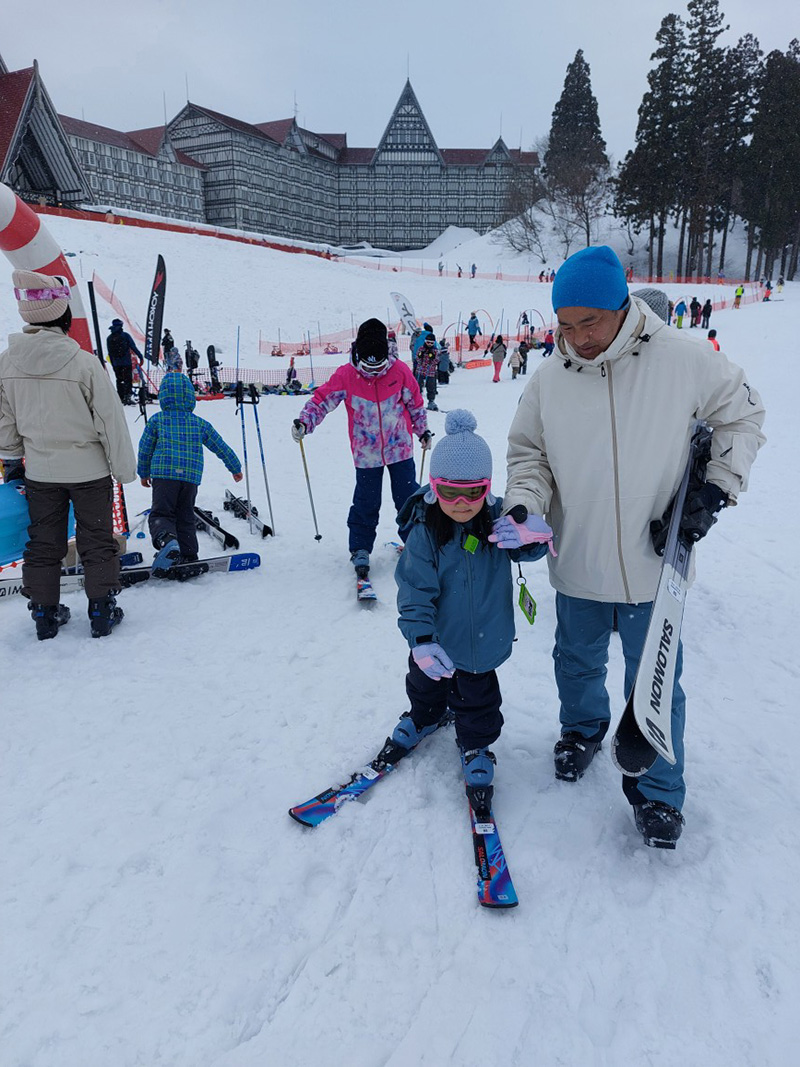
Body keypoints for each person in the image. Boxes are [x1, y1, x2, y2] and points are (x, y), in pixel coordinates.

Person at [501, 245, 765, 849]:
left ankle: (659, 793)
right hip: (580, 559)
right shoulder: (547, 380)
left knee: (656, 683)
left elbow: (744, 416)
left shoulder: (684, 359)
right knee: (576, 663)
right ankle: (583, 729)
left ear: (621, 305)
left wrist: (714, 489)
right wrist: (525, 505)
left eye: (588, 321)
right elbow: (528, 457)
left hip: (656, 569)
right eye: (565, 326)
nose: (577, 338)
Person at [388, 409, 552, 812]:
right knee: (425, 685)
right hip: (438, 637)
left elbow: (527, 549)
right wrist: (421, 640)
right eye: (449, 493)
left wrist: (533, 533)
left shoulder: (497, 522)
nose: (461, 504)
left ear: (488, 489)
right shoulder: (426, 530)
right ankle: (425, 715)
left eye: (473, 493)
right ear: (433, 488)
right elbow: (414, 589)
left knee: (478, 701)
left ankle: (477, 746)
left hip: (483, 641)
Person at [0, 270, 137, 639]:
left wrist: (12, 460)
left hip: (41, 473)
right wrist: (124, 469)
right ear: (62, 316)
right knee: (96, 540)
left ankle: (44, 614)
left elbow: (5, 421)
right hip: (89, 472)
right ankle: (102, 610)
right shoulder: (85, 364)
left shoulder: (5, 363)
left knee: (43, 543)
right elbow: (111, 422)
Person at [291, 318, 430, 582]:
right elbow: (321, 401)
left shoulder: (400, 371)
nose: (374, 371)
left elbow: (415, 403)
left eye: (379, 365)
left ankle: (417, 542)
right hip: (366, 454)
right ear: (358, 354)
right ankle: (361, 548)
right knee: (366, 501)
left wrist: (422, 430)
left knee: (408, 498)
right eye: (368, 365)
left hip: (400, 448)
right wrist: (305, 422)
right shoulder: (346, 375)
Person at [137, 372, 243, 573]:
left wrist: (143, 473)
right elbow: (219, 445)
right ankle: (188, 554)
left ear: (163, 396)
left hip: (164, 475)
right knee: (185, 514)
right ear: (190, 395)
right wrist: (234, 467)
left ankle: (167, 541)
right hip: (189, 477)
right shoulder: (199, 423)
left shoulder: (157, 420)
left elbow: (145, 449)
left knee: (162, 513)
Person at [107, 318, 143, 405]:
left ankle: (121, 397)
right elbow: (133, 347)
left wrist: (113, 364)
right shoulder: (125, 336)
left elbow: (110, 353)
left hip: (116, 363)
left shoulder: (109, 338)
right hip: (126, 362)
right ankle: (127, 396)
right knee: (127, 380)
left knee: (119, 380)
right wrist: (140, 356)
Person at [413, 331, 440, 410]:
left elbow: (437, 360)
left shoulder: (435, 350)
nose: (429, 344)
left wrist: (433, 358)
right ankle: (417, 400)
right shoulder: (421, 348)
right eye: (428, 342)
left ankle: (431, 401)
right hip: (420, 370)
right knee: (418, 385)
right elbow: (417, 357)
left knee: (431, 386)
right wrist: (420, 357)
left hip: (430, 371)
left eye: (431, 343)